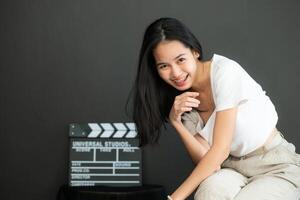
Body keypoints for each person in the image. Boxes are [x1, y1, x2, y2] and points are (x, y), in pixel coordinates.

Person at [127, 17, 300, 200]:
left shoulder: (224, 72)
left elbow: (220, 150)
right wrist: (175, 122)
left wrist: (174, 198)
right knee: (208, 192)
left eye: (180, 60)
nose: (175, 73)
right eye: (164, 66)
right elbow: (209, 162)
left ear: (194, 51)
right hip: (231, 169)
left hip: (275, 164)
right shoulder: (185, 104)